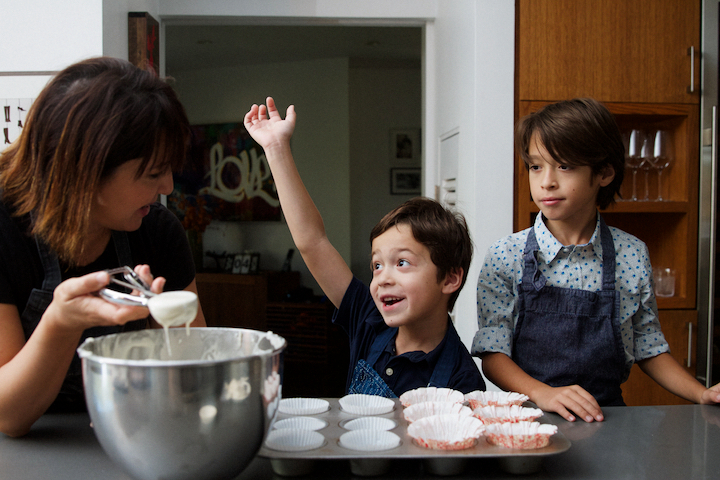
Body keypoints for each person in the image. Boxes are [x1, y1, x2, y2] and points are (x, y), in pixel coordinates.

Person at [472, 97, 720, 423]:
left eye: (564, 166)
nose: (546, 181)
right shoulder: (506, 255)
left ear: (603, 173)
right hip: (526, 421)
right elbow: (493, 354)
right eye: (536, 166)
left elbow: (649, 347)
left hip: (605, 422)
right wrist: (543, 393)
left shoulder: (631, 254)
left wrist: (701, 393)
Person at [0, 57, 206, 437]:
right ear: (85, 173)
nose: (167, 188)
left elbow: (195, 370)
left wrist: (164, 327)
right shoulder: (4, 231)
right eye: (152, 173)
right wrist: (61, 322)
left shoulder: (157, 232)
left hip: (132, 437)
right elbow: (8, 415)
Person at [244, 97, 485, 398]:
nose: (382, 278)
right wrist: (276, 149)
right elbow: (312, 242)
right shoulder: (369, 318)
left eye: (402, 263)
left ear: (450, 278)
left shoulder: (463, 380)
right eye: (377, 265)